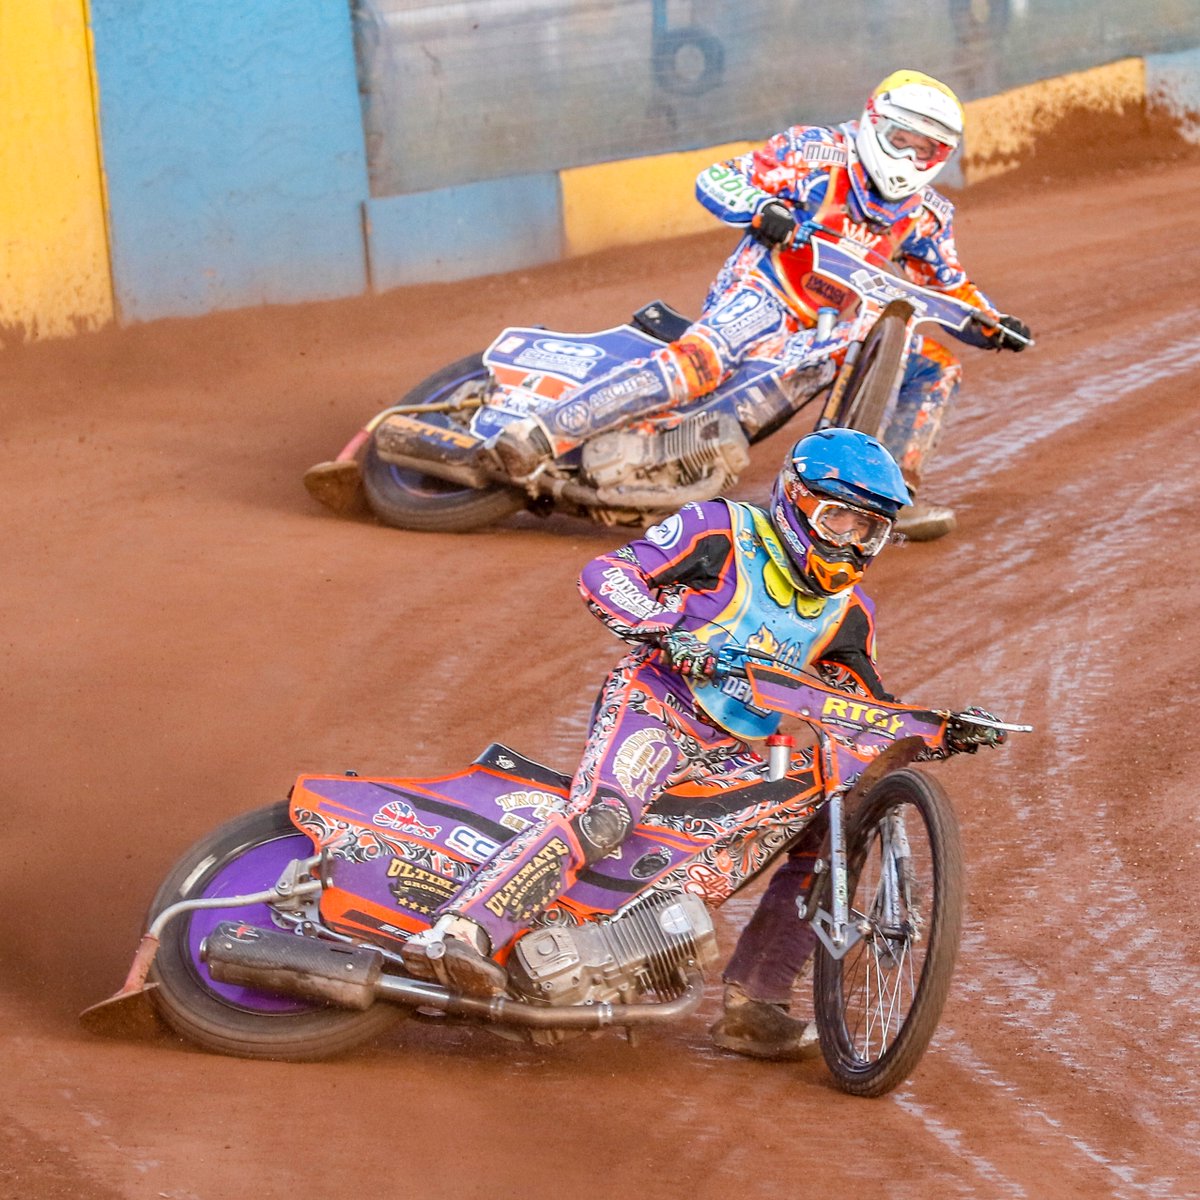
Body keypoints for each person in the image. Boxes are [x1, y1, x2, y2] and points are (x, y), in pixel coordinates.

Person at [403, 428, 917, 1057]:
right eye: (838, 519)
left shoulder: (851, 613)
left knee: (826, 822)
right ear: (796, 499)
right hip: (656, 702)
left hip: (739, 748)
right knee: (604, 816)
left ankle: (756, 1003)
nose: (850, 541)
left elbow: (863, 706)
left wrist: (932, 729)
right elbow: (608, 573)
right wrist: (664, 627)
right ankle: (462, 932)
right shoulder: (723, 529)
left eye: (868, 531)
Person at [494, 69, 1031, 542]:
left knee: (936, 366)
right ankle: (542, 433)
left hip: (836, 323)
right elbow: (720, 178)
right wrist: (763, 206)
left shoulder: (928, 215)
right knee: (701, 363)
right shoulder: (815, 152)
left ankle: (893, 497)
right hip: (764, 292)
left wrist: (993, 323)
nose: (912, 158)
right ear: (873, 123)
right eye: (902, 139)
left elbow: (950, 286)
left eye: (928, 150)